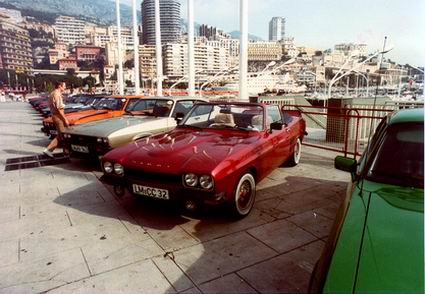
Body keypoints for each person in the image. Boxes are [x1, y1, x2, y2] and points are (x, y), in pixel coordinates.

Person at [43, 81, 69, 157]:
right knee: (63, 135)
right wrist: (65, 119)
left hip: (54, 115)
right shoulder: (57, 94)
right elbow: (60, 109)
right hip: (58, 116)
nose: (65, 87)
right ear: (59, 86)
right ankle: (49, 150)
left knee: (62, 135)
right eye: (64, 86)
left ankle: (66, 151)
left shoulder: (52, 93)